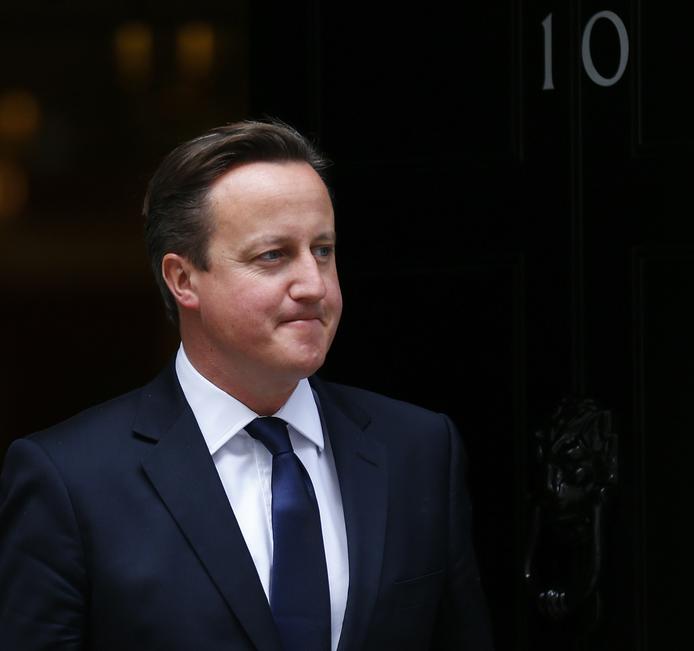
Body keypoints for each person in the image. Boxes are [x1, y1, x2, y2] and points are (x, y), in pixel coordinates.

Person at [0, 120, 493, 650]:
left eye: (322, 250)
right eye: (273, 256)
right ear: (183, 279)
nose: (313, 285)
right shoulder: (70, 481)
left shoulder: (418, 449)